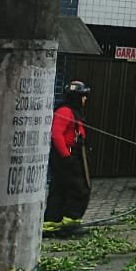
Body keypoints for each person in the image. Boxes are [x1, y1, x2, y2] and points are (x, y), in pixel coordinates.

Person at [44, 80, 92, 235]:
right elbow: (56, 134)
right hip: (66, 157)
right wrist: (66, 156)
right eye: (83, 96)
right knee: (79, 188)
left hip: (70, 155)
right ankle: (70, 223)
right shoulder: (65, 111)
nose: (85, 99)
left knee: (60, 189)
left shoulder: (73, 111)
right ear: (76, 97)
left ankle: (52, 223)